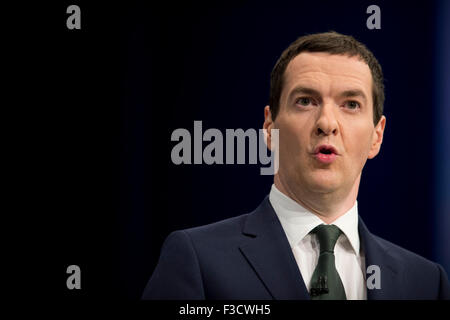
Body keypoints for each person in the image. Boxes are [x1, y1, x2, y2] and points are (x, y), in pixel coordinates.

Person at [142, 31, 450, 300]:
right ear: (269, 127)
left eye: (351, 104)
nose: (327, 123)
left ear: (377, 136)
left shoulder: (425, 282)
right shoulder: (197, 260)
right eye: (305, 101)